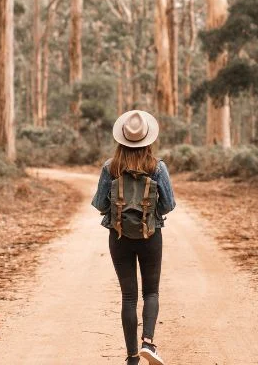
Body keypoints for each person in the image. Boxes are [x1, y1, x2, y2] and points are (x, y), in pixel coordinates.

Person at [91, 110, 176, 365]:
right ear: (148, 139)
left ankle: (131, 359)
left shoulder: (110, 167)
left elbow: (100, 205)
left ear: (122, 139)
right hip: (151, 235)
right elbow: (169, 204)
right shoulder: (157, 167)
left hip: (119, 237)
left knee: (129, 297)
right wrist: (150, 215)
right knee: (151, 293)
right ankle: (148, 343)